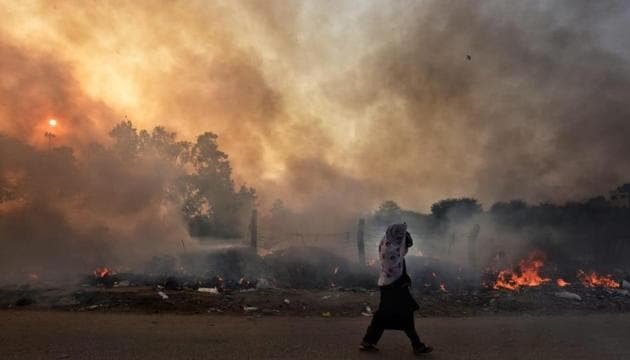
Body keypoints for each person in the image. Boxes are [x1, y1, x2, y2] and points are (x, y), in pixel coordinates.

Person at [360, 223, 433, 355]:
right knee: (401, 317)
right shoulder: (392, 252)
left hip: (389, 286)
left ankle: (368, 341)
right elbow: (396, 271)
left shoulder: (386, 243)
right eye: (406, 246)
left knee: (384, 317)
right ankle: (417, 346)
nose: (406, 250)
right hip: (394, 289)